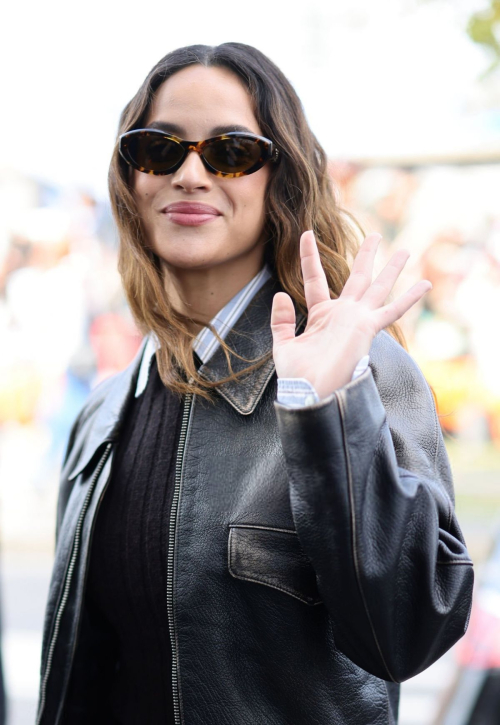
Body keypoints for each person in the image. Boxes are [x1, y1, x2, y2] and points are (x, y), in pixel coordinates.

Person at [36, 42, 474, 725]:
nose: (189, 172)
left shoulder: (357, 370)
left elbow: (411, 631)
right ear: (132, 178)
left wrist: (327, 411)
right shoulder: (101, 412)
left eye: (230, 151)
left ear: (281, 177)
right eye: (159, 147)